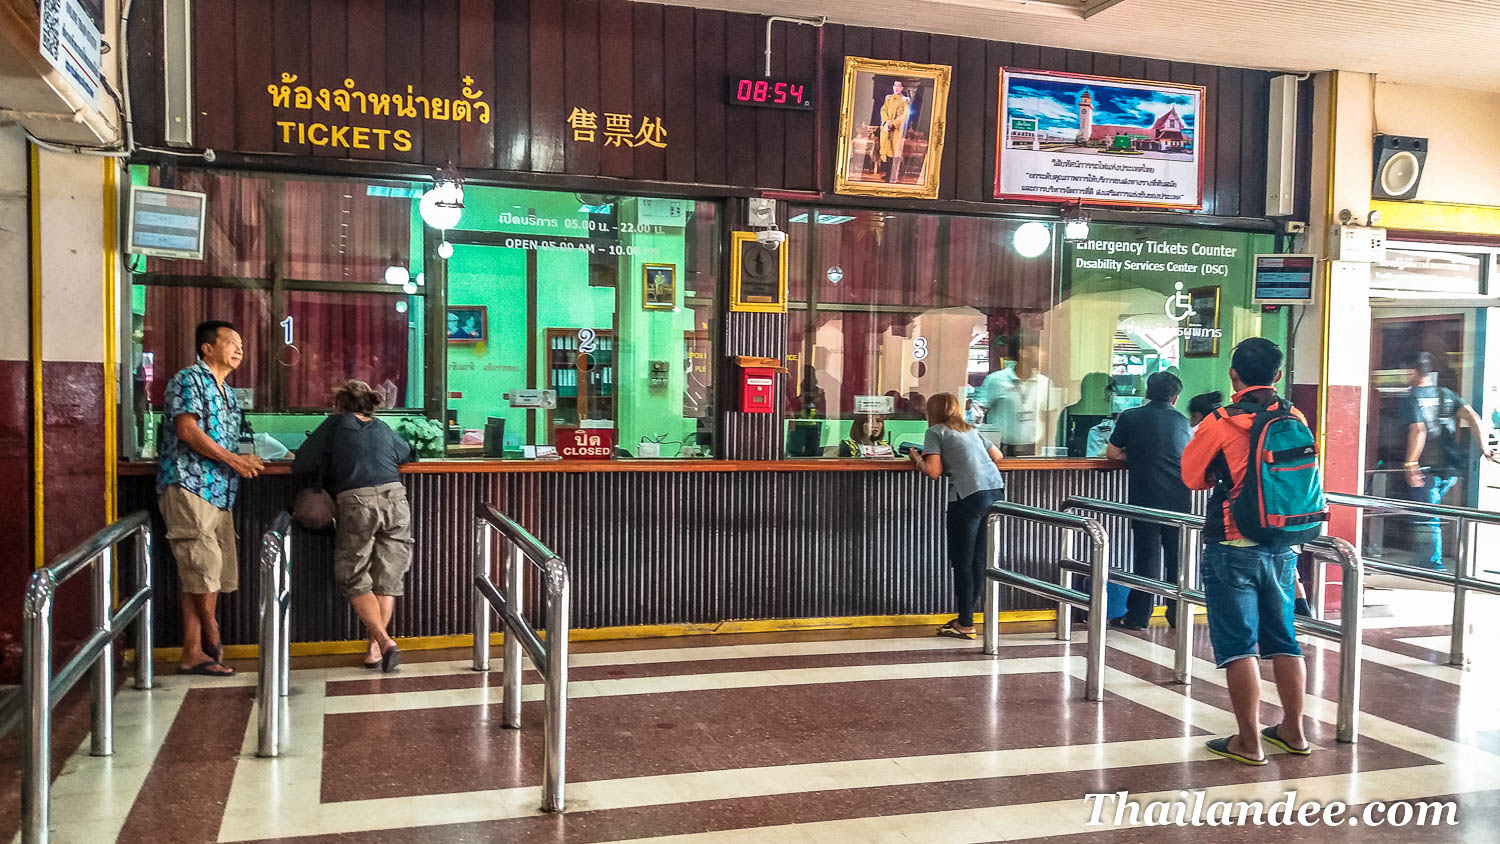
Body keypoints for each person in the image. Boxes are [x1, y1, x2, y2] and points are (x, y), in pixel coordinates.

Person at [1181, 338, 1313, 765]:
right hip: (1283, 541)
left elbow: (1193, 478)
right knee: (1284, 639)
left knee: (1239, 644)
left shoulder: (1220, 422)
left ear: (1233, 375)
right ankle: (1293, 730)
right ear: (1277, 376)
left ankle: (1249, 741)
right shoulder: (1293, 415)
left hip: (1233, 541)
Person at [157, 321, 264, 677]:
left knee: (202, 572)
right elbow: (187, 430)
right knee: (202, 567)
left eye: (241, 344)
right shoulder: (189, 379)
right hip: (190, 485)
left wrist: (243, 458)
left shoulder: (229, 392)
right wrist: (235, 460)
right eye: (231, 342)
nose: (239, 349)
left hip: (221, 492)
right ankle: (211, 632)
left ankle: (192, 652)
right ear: (206, 347)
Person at [293, 380, 417, 671]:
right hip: (396, 500)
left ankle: (385, 642)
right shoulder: (382, 427)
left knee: (353, 574)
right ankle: (374, 650)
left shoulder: (334, 425)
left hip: (357, 502)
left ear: (340, 404)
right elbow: (408, 453)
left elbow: (302, 463)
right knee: (388, 575)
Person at [908, 393, 1006, 639]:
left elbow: (933, 471)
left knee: (962, 561)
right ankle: (965, 618)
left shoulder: (936, 432)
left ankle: (965, 622)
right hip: (995, 492)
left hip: (968, 497)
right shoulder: (971, 429)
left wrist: (916, 459)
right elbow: (998, 457)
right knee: (979, 560)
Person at [1398, 351, 1498, 570]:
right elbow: (1473, 416)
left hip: (1426, 468)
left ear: (1412, 371)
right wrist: (1485, 446)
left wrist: (1410, 463)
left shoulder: (1411, 397)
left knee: (1427, 515)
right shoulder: (1446, 394)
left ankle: (1431, 565)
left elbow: (1418, 430)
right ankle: (1428, 560)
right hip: (1451, 467)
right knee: (1432, 513)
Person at [1106, 372, 1191, 630]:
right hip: (1179, 499)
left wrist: (1136, 454)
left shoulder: (1132, 416)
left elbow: (1111, 453)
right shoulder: (1182, 421)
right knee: (1177, 560)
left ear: (1147, 392)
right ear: (1175, 398)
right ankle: (1178, 615)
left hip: (1145, 497)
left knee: (1146, 558)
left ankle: (1138, 616)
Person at [977, 345, 1055, 457]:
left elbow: (1049, 418)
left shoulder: (1045, 383)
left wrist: (1048, 447)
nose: (1044, 354)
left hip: (1034, 450)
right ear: (1023, 352)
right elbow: (979, 413)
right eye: (1039, 349)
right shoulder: (996, 380)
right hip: (1001, 449)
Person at [878, 79, 911, 181]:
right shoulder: (888, 98)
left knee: (895, 153)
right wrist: (887, 121)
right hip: (887, 128)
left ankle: (894, 177)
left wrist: (894, 123)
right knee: (887, 150)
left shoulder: (905, 100)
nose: (896, 87)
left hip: (897, 130)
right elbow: (883, 110)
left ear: (902, 88)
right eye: (895, 85)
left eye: (899, 86)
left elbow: (904, 115)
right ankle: (887, 174)